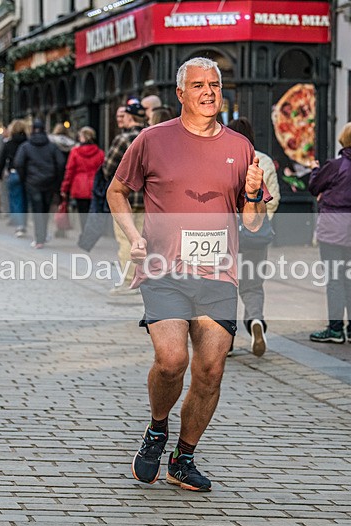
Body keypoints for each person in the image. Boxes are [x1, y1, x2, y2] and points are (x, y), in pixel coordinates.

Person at [108, 57, 268, 492]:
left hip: (218, 274)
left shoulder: (240, 147)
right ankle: (157, 427)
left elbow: (252, 223)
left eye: (214, 84)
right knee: (172, 360)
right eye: (198, 85)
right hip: (164, 269)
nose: (208, 92)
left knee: (211, 370)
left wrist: (254, 194)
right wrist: (132, 235)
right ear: (180, 93)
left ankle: (183, 458)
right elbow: (116, 190)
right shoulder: (152, 139)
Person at [308, 123, 351, 345]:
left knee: (335, 279)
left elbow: (314, 186)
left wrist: (315, 170)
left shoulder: (336, 165)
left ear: (343, 139)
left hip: (333, 228)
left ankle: (335, 328)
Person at [227, 117, 280, 356]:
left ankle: (226, 339)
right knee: (253, 286)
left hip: (228, 233)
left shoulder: (224, 159)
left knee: (226, 286)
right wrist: (259, 221)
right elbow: (273, 199)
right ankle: (256, 321)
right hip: (256, 234)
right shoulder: (264, 161)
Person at [103, 98, 147, 295]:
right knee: (144, 240)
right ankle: (143, 279)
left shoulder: (123, 140)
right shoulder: (152, 137)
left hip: (125, 199)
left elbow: (108, 168)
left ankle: (130, 281)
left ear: (129, 117)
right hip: (147, 200)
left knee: (126, 240)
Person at [14, 119, 65, 249]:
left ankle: (39, 238)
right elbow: (61, 163)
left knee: (37, 209)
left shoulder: (25, 147)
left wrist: (24, 178)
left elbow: (18, 163)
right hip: (49, 182)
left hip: (32, 182)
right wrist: (57, 180)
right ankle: (43, 234)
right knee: (45, 209)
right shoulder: (52, 147)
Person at [61, 126, 104, 231]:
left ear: (83, 137)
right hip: (95, 185)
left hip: (79, 187)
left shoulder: (75, 152)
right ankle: (91, 233)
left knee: (82, 213)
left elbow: (69, 171)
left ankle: (84, 233)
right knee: (93, 212)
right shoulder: (100, 153)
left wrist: (64, 188)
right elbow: (103, 171)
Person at [0, 119, 29, 238]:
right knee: (25, 199)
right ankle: (23, 222)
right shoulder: (28, 143)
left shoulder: (9, 144)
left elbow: (1, 160)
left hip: (14, 173)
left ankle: (19, 225)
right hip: (28, 174)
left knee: (15, 199)